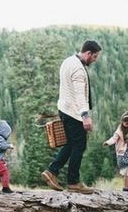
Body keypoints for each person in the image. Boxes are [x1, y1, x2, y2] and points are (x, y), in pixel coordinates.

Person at [41, 40, 102, 194]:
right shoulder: (79, 69)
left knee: (70, 144)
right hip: (74, 113)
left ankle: (52, 171)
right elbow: (79, 94)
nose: (94, 60)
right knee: (79, 145)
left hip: (64, 109)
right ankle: (73, 182)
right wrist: (85, 116)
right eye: (94, 57)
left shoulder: (68, 61)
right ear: (88, 53)